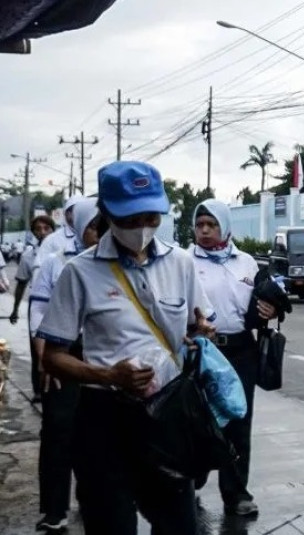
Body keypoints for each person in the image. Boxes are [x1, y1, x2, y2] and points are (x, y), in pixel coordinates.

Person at [38, 161, 217, 535]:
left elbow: (195, 330)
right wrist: (109, 375)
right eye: (130, 219)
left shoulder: (181, 264)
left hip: (167, 417)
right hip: (104, 419)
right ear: (107, 214)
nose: (141, 228)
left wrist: (202, 333)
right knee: (111, 524)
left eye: (150, 217)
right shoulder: (79, 272)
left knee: (178, 524)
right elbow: (53, 357)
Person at [188, 199, 279, 519]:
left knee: (239, 422)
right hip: (199, 352)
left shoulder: (246, 264)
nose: (205, 231)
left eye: (211, 225)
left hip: (241, 350)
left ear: (224, 226)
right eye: (200, 225)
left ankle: (236, 492)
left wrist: (270, 309)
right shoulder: (185, 262)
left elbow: (264, 304)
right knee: (198, 420)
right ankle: (192, 479)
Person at [25, 200, 102, 534]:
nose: (101, 233)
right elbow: (39, 315)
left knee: (101, 435)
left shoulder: (119, 265)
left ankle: (96, 501)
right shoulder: (57, 264)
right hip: (64, 352)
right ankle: (54, 510)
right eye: (95, 226)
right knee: (58, 431)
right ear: (81, 227)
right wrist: (46, 361)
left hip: (105, 356)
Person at [9, 214, 56, 397]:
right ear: (33, 232)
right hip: (37, 305)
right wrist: (15, 309)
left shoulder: (63, 251)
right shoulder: (29, 256)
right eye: (38, 229)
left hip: (59, 305)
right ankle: (38, 390)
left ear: (53, 229)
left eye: (46, 228)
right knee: (37, 349)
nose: (42, 232)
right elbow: (21, 284)